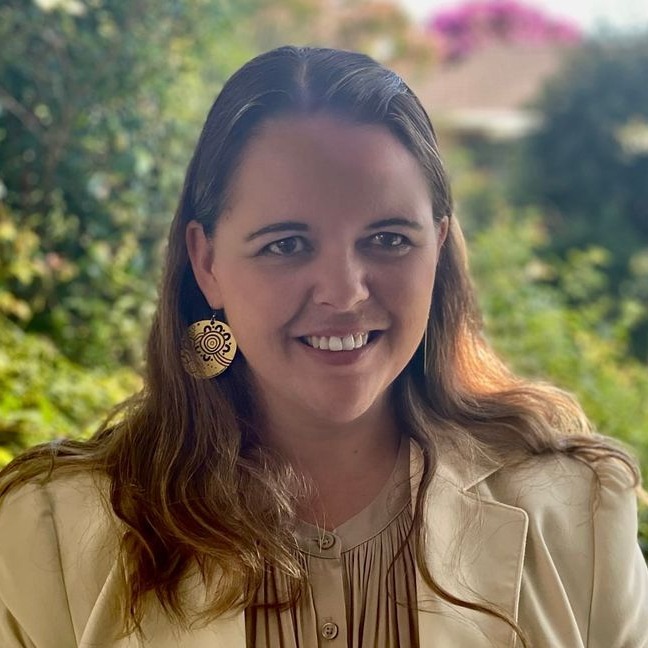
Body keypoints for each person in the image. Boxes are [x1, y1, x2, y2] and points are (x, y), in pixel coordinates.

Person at [0, 45, 646, 648]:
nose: (343, 292)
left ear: (439, 247)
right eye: (286, 244)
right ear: (207, 263)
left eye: (389, 238)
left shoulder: (578, 515)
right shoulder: (47, 536)